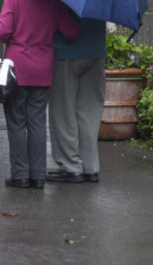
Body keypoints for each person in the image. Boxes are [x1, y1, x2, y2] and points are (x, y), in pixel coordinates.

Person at [0, 0, 79, 189]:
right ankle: (38, 176)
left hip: (16, 72)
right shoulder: (53, 2)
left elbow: (1, 32)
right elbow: (71, 32)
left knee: (16, 123)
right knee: (38, 124)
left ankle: (20, 175)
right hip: (42, 71)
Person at [47, 18, 107, 183]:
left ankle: (71, 166)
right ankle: (90, 167)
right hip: (96, 50)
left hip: (67, 51)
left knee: (63, 110)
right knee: (89, 112)